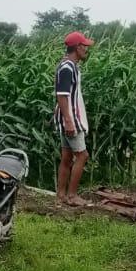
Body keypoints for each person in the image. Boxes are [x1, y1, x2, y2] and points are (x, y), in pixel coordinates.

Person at [54, 30, 93, 206]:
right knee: (82, 156)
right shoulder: (67, 68)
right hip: (71, 119)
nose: (86, 49)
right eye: (84, 46)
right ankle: (72, 196)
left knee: (67, 157)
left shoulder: (67, 65)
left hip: (66, 117)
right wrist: (69, 121)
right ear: (77, 47)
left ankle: (61, 195)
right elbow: (62, 95)